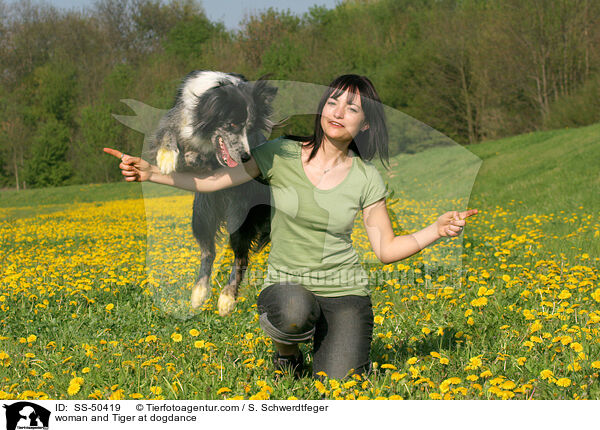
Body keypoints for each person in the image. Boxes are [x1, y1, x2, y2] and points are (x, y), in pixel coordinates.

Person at [104, 74, 478, 380]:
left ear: (364, 124)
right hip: (289, 288)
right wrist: (152, 173)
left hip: (344, 292)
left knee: (341, 383)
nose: (338, 111)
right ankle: (287, 355)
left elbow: (386, 249)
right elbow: (214, 181)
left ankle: (328, 342)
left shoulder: (366, 178)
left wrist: (435, 229)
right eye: (332, 101)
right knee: (294, 311)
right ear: (321, 109)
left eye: (352, 108)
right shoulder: (280, 153)